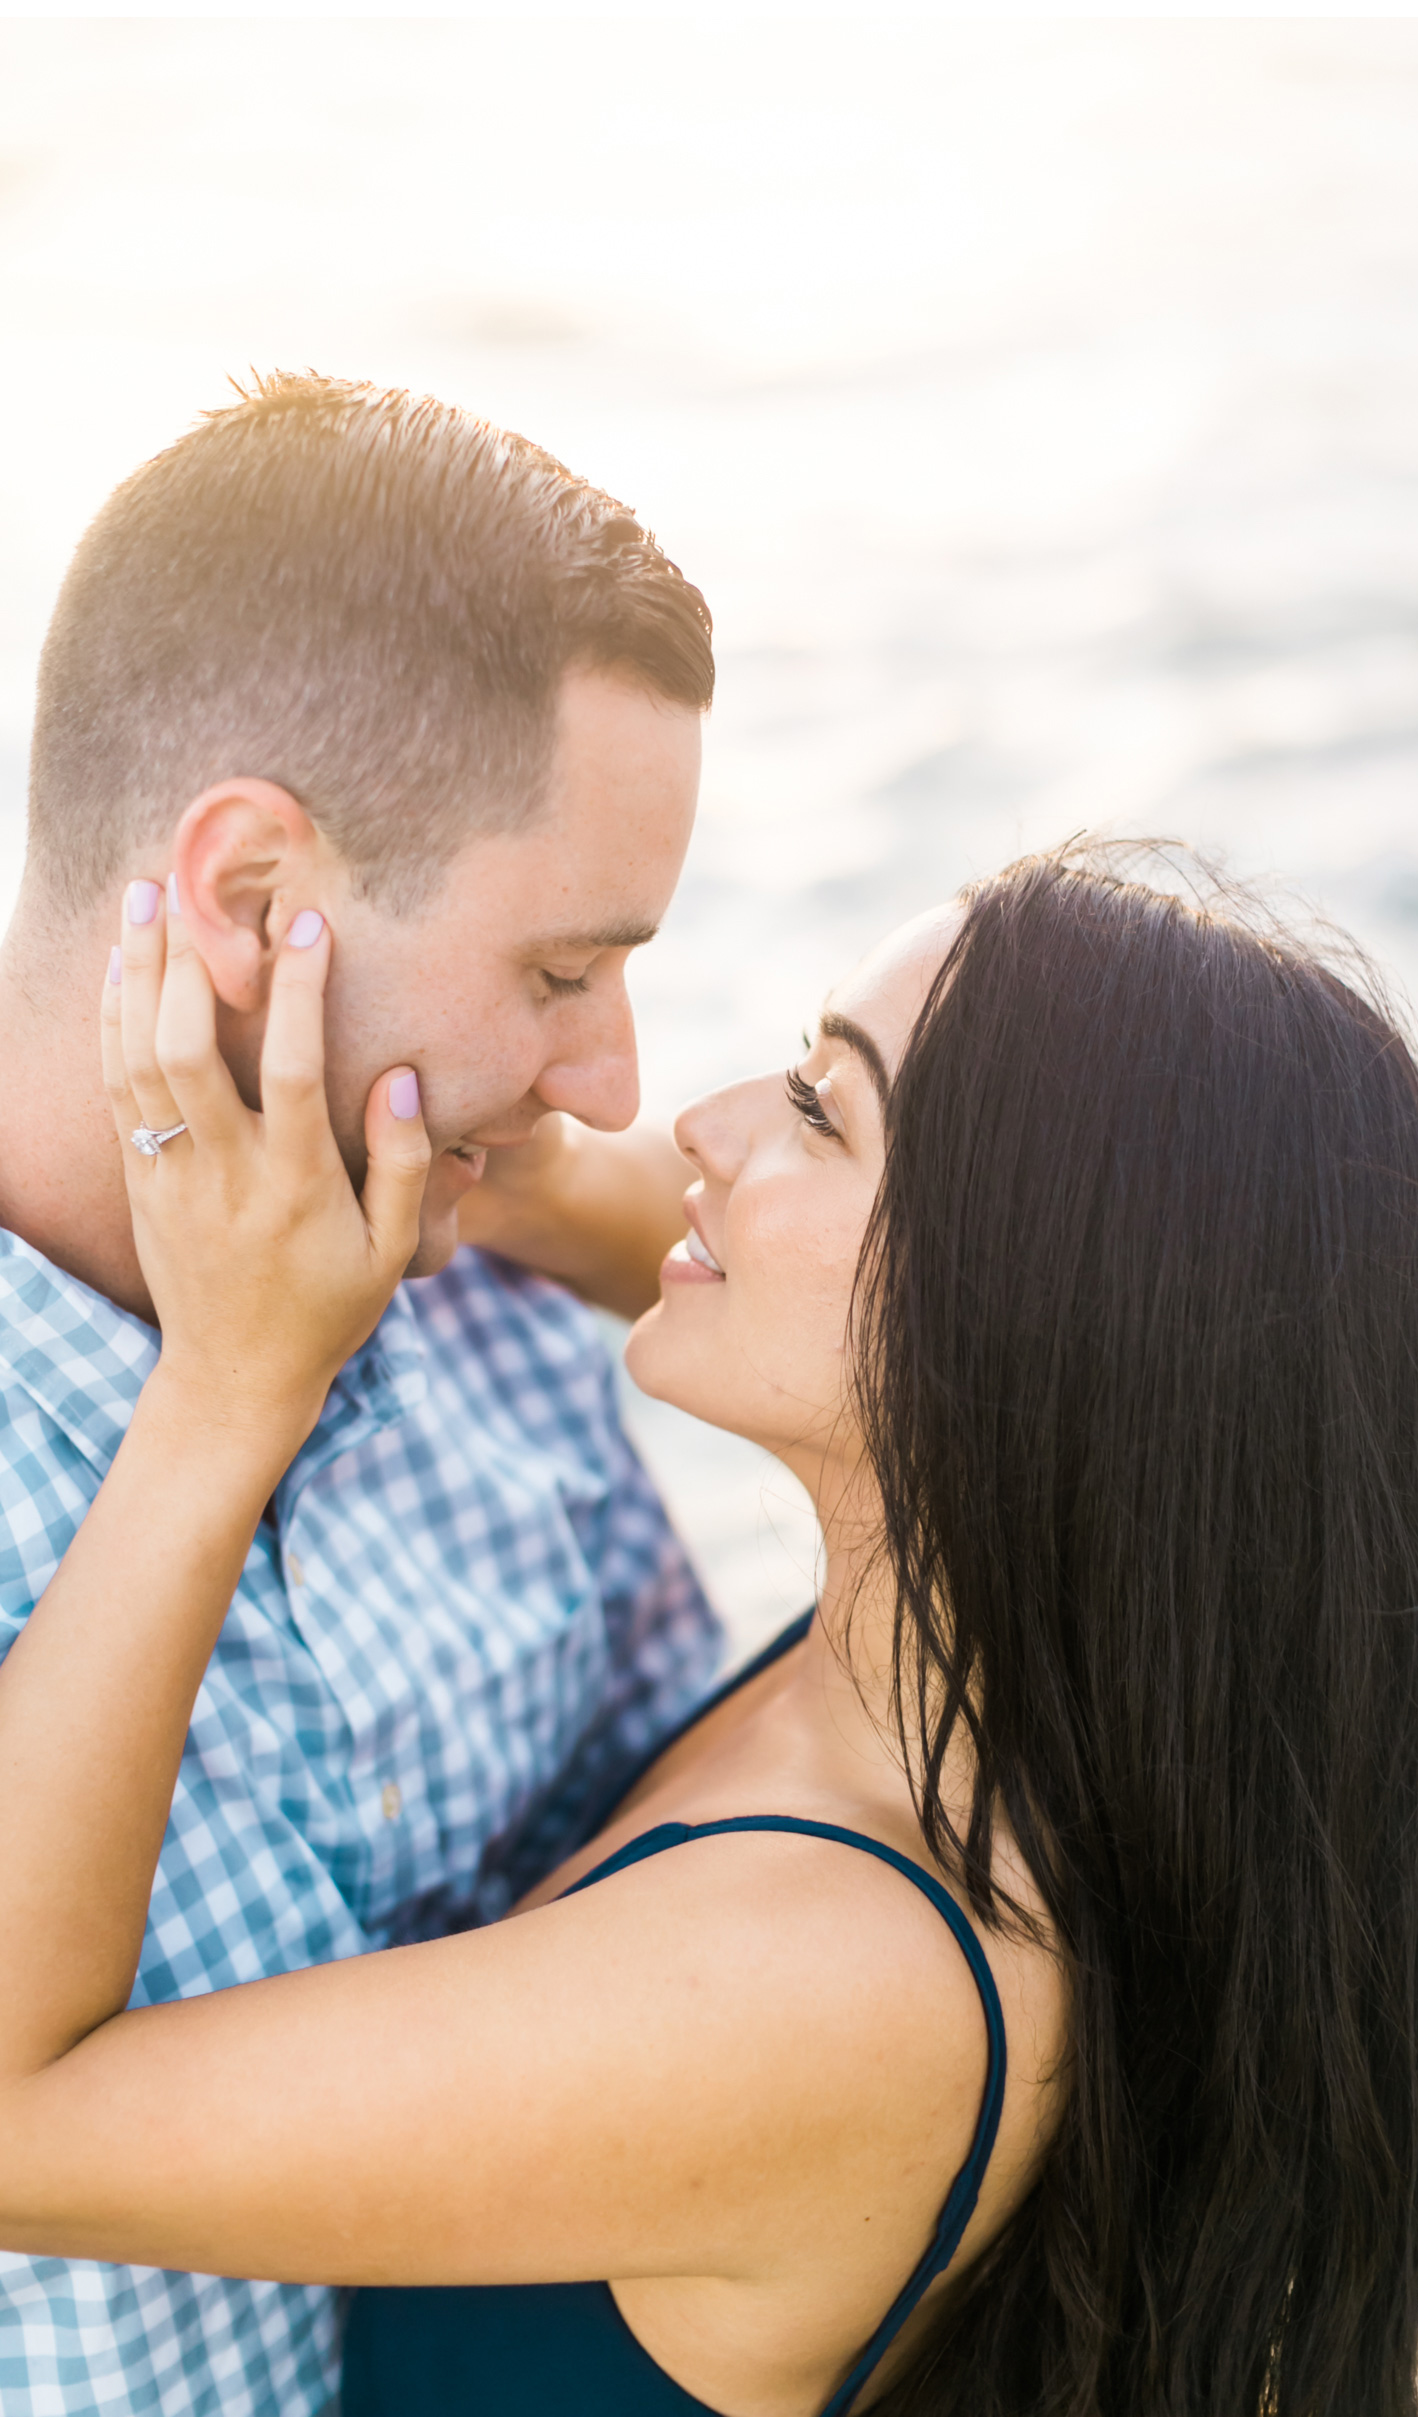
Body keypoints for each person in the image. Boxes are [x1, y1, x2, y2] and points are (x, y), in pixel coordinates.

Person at [0, 841, 1418, 2417]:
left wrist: (226, 1392)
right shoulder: (999, 1682)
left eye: (822, 1110)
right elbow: (743, 1266)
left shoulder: (831, 1990)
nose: (698, 1123)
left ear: (1019, 1306)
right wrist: (514, 1162)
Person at [0, 371, 727, 2415]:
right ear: (251, 905)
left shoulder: (485, 1309)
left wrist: (560, 1209)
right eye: (564, 975)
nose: (611, 1080)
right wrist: (231, 1402)